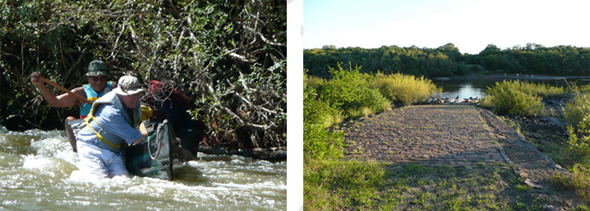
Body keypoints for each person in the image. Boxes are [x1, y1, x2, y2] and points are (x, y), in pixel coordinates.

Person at [75, 75, 147, 178]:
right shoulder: (110, 112)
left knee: (125, 181)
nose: (136, 98)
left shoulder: (134, 104)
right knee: (101, 182)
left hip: (115, 151)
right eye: (132, 94)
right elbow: (136, 138)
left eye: (138, 94)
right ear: (121, 93)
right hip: (91, 148)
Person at [30, 60, 117, 119]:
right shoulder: (80, 93)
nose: (99, 82)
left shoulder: (113, 88)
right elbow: (55, 102)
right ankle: (76, 147)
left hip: (110, 126)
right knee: (69, 120)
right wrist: (41, 86)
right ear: (88, 78)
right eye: (95, 79)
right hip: (89, 129)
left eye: (103, 78)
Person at [144, 80, 206, 161]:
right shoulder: (149, 92)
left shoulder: (156, 91)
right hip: (179, 126)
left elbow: (172, 116)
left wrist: (167, 138)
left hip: (190, 127)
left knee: (185, 156)